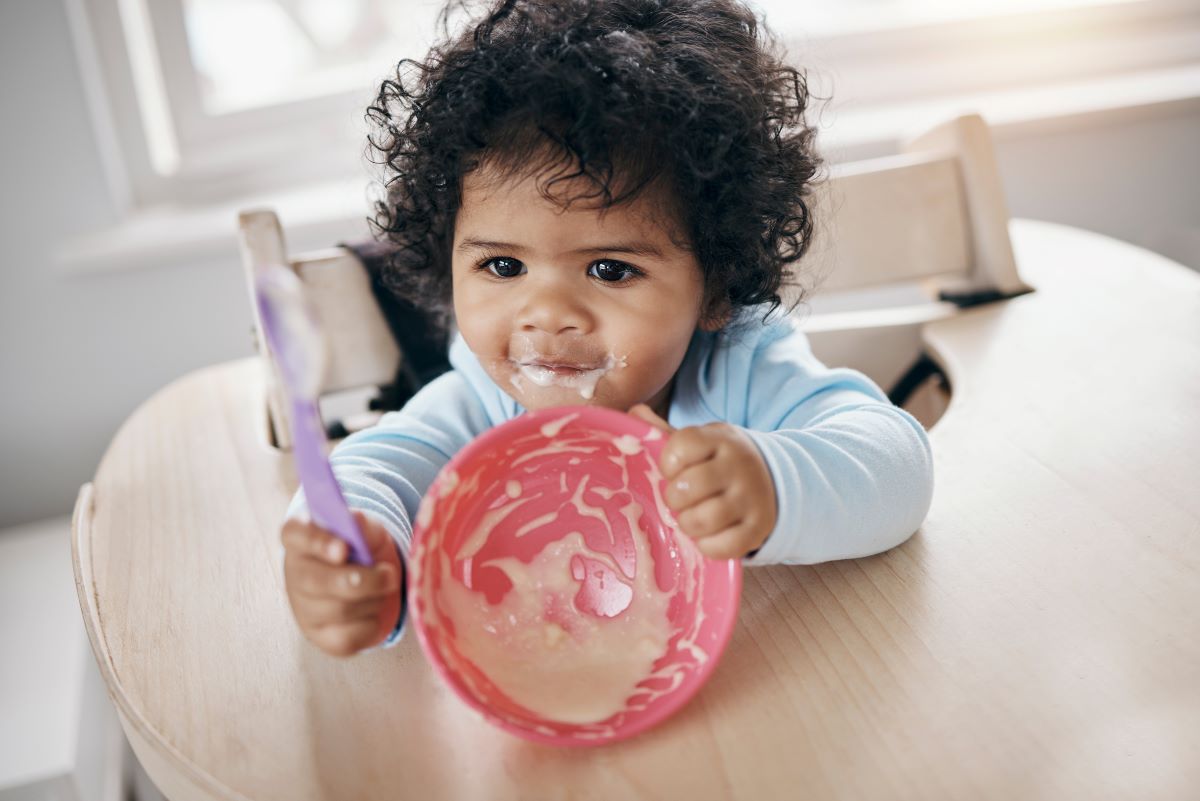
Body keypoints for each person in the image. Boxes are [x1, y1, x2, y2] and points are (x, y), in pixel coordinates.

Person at [281, 0, 934, 658]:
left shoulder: (740, 371)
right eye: (503, 265)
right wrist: (352, 551)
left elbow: (898, 463)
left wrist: (773, 483)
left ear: (715, 283)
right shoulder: (481, 402)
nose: (549, 314)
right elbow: (375, 466)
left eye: (610, 269)